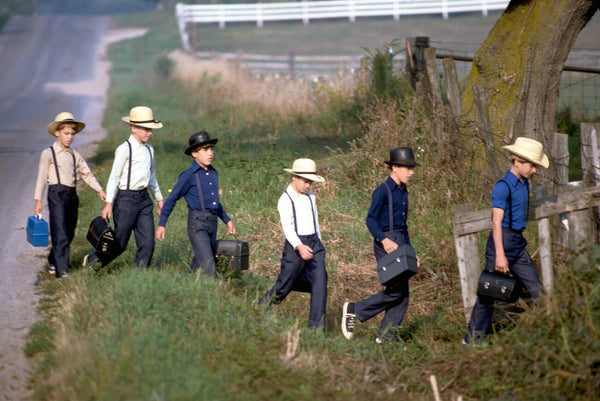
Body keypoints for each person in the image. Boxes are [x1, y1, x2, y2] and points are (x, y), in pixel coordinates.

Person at [463, 137, 548, 345]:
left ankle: (545, 334)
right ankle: (472, 339)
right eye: (531, 165)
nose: (534, 170)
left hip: (518, 244)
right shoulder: (502, 187)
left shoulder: (524, 183)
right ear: (517, 161)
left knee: (537, 290)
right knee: (488, 293)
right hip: (501, 243)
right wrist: (500, 255)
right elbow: (497, 223)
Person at [341, 147, 421, 342]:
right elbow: (370, 220)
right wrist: (383, 240)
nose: (411, 172)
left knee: (402, 295)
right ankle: (355, 309)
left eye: (412, 168)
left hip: (401, 242)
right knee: (396, 292)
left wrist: (411, 252)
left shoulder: (404, 191)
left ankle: (385, 337)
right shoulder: (382, 191)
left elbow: (404, 226)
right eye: (407, 168)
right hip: (385, 243)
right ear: (394, 167)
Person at [83, 106, 164, 269]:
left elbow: (152, 176)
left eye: (151, 129)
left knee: (148, 243)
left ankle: (140, 276)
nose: (150, 133)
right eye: (146, 129)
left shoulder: (150, 150)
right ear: (133, 128)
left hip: (144, 200)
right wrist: (109, 203)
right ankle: (93, 261)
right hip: (126, 200)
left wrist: (160, 199)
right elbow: (114, 177)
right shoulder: (124, 149)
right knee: (119, 243)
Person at [34, 112, 106, 278]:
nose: (69, 137)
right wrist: (38, 200)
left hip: (72, 195)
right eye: (66, 133)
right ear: (57, 133)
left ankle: (53, 260)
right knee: (59, 232)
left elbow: (87, 174)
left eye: (72, 134)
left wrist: (100, 189)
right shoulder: (49, 153)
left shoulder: (75, 155)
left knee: (69, 231)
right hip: (56, 194)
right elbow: (41, 177)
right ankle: (62, 270)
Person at [259, 158, 328, 330]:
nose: (308, 186)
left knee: (320, 283)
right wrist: (299, 246)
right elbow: (288, 228)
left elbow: (315, 222)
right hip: (295, 246)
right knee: (284, 286)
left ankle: (316, 329)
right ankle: (259, 309)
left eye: (310, 182)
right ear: (295, 178)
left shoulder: (311, 197)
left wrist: (319, 242)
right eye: (306, 181)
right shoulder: (285, 199)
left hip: (314, 242)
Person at [155, 131, 236, 274]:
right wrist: (162, 224)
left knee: (201, 259)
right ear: (194, 153)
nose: (210, 153)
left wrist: (226, 219)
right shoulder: (189, 176)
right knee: (209, 265)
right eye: (205, 150)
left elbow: (214, 202)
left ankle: (184, 281)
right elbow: (171, 199)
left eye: (211, 149)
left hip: (212, 222)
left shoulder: (213, 173)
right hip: (197, 224)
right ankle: (213, 292)